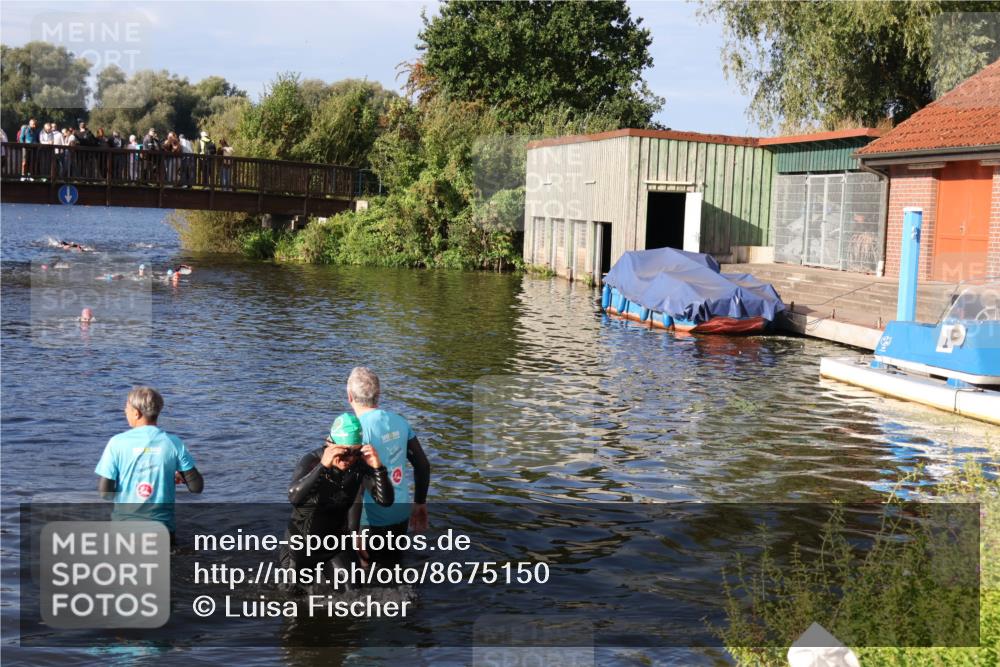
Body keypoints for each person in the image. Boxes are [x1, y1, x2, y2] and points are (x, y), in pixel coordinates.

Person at [278, 413, 393, 587]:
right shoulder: (312, 460)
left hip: (336, 546)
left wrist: (378, 468)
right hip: (301, 547)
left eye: (355, 452)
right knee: (293, 603)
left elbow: (386, 501)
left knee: (355, 595)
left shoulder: (359, 464)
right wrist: (323, 466)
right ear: (330, 444)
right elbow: (294, 497)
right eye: (344, 452)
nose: (349, 459)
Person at [95, 387, 203, 545]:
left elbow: (105, 493)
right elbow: (196, 487)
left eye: (127, 408)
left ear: (136, 413)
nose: (125, 411)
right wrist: (180, 477)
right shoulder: (174, 443)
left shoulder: (116, 443)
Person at [346, 367, 430, 568]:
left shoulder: (353, 430)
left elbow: (355, 486)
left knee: (364, 578)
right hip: (400, 515)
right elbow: (422, 465)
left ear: (349, 396)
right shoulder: (399, 421)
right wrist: (419, 504)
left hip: (368, 521)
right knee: (393, 570)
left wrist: (353, 531)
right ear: (379, 395)